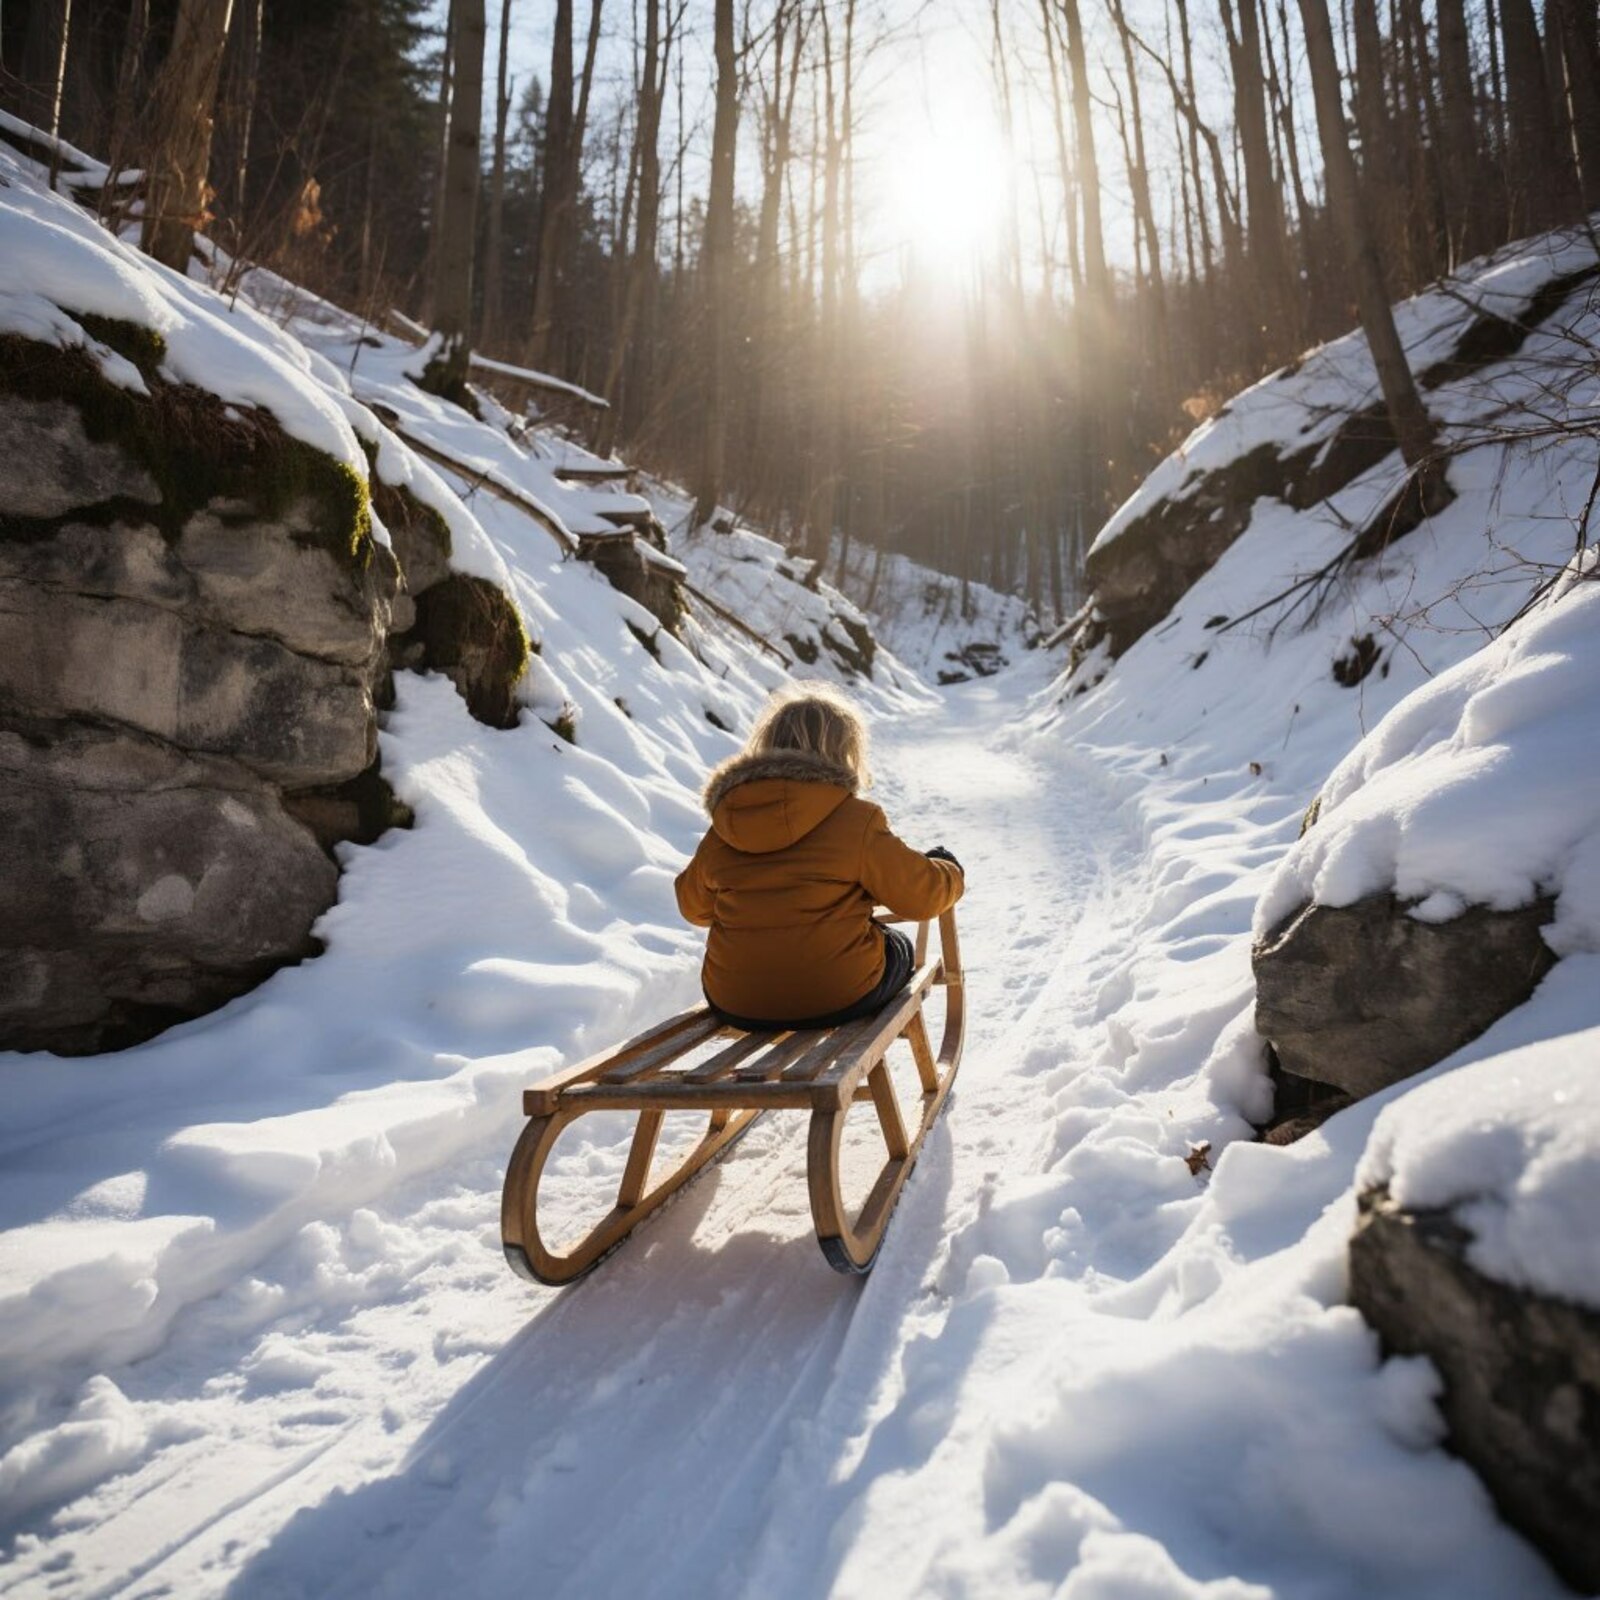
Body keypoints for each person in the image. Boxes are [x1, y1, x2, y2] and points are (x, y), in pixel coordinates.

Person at [675, 685, 965, 1031]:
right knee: (897, 946)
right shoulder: (855, 819)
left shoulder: (727, 823)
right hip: (838, 995)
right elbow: (921, 897)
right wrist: (949, 869)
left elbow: (694, 908)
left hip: (735, 1001)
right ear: (844, 752)